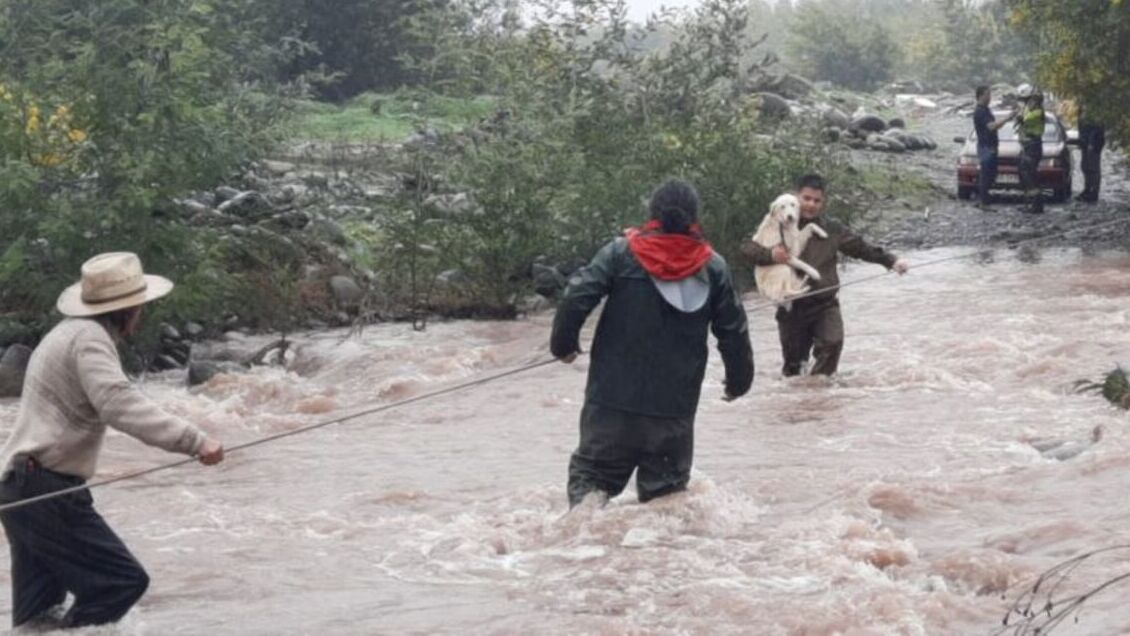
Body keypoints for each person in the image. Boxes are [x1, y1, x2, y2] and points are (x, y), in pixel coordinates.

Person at [0, 252, 225, 630]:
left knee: (38, 614)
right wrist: (194, 441)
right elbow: (117, 403)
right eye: (141, 305)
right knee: (120, 582)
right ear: (129, 309)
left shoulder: (69, 332)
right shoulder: (89, 338)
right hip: (44, 487)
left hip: (22, 487)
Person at [551, 179, 754, 508]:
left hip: (610, 402)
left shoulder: (619, 253)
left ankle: (582, 549)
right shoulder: (712, 265)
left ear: (652, 212)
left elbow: (576, 297)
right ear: (694, 217)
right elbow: (733, 331)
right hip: (672, 410)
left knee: (591, 483)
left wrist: (564, 345)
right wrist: (737, 383)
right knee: (665, 503)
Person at [741, 174, 908, 377]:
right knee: (794, 368)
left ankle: (821, 396)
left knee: (832, 344)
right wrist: (770, 254)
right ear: (796, 197)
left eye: (817, 200)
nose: (811, 205)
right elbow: (747, 248)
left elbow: (861, 248)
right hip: (792, 307)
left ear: (823, 202)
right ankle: (800, 403)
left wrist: (891, 261)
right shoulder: (777, 222)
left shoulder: (832, 229)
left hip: (825, 304)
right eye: (806, 199)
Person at [972, 85, 1013, 208]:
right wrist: (1007, 118)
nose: (990, 97)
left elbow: (995, 126)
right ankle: (983, 202)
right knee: (986, 175)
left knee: (991, 174)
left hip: (991, 146)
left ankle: (982, 200)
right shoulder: (980, 111)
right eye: (987, 95)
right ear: (980, 96)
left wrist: (1006, 120)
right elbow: (991, 127)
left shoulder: (986, 110)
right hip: (986, 147)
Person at [1015, 84, 1047, 214]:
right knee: (1025, 175)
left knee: (1029, 176)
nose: (1028, 103)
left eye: (1029, 101)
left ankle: (1036, 205)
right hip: (1028, 146)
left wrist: (1020, 115)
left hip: (1033, 146)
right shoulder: (1030, 109)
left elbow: (1025, 119)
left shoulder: (1037, 112)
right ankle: (1030, 204)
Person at [1077, 103, 1106, 203]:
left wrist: (1091, 143)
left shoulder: (1095, 110)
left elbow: (1097, 129)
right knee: (1085, 166)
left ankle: (1094, 193)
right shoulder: (1081, 109)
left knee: (1094, 168)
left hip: (1094, 144)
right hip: (1085, 143)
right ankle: (1087, 189)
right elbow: (1081, 128)